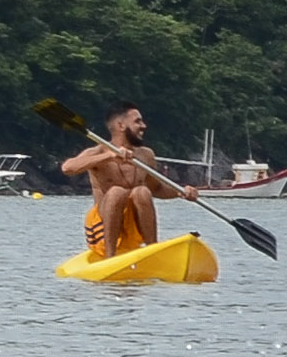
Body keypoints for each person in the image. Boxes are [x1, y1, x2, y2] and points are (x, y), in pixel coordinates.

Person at [59, 104, 201, 262]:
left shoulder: (146, 155)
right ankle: (109, 257)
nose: (143, 126)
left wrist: (180, 192)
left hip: (133, 229)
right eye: (138, 122)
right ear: (121, 125)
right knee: (116, 192)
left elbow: (157, 189)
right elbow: (67, 168)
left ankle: (152, 251)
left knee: (142, 191)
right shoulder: (98, 152)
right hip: (101, 230)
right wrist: (110, 156)